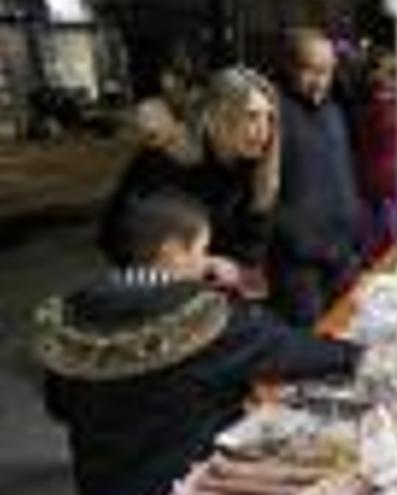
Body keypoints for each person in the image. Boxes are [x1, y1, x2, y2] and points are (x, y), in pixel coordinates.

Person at [35, 193, 362, 495]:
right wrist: (355, 353)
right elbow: (288, 351)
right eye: (201, 250)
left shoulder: (72, 315)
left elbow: (59, 405)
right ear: (172, 251)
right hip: (180, 481)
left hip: (100, 483)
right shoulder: (199, 318)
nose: (206, 262)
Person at [101, 67, 279, 294]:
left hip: (225, 297)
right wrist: (201, 265)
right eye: (251, 116)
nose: (265, 131)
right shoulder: (166, 160)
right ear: (217, 115)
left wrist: (243, 274)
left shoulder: (256, 168)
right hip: (164, 298)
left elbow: (253, 245)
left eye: (269, 118)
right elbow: (118, 240)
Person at [271, 28, 366, 326]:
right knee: (311, 347)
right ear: (289, 66)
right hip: (299, 266)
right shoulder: (273, 114)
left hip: (342, 254)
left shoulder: (333, 111)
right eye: (310, 70)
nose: (319, 81)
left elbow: (344, 171)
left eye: (326, 72)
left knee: (352, 328)